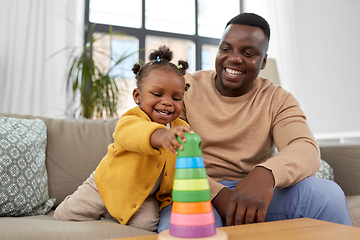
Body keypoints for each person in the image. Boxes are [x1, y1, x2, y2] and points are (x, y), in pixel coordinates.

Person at [157, 12, 351, 232]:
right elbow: (165, 152)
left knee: (327, 195)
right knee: (189, 229)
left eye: (248, 53)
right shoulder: (184, 88)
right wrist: (217, 193)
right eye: (226, 49)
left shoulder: (277, 98)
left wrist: (267, 174)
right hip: (192, 190)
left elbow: (305, 147)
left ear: (263, 61)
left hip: (254, 195)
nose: (234, 58)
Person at [54, 45, 193, 232]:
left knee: (146, 226)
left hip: (144, 196)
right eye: (157, 94)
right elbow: (136, 133)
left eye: (176, 98)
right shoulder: (131, 119)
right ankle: (107, 210)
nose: (167, 102)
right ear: (137, 96)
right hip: (106, 186)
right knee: (63, 215)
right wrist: (162, 136)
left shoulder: (181, 128)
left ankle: (115, 214)